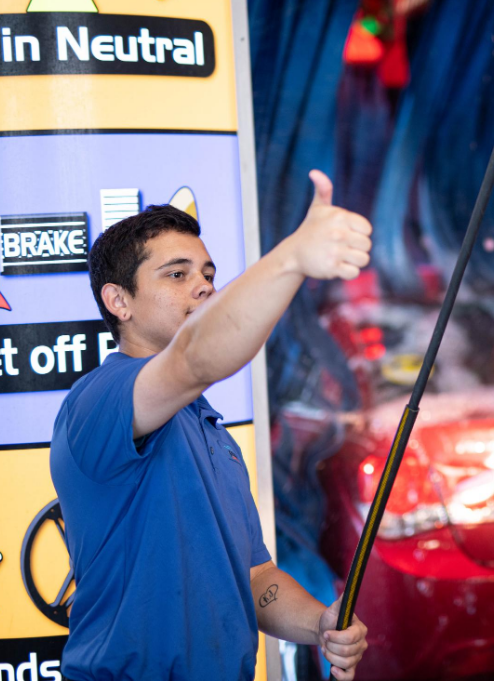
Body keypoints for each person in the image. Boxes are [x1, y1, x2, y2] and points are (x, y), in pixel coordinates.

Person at [50, 170, 372, 681]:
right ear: (119, 301)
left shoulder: (213, 432)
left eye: (207, 272)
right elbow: (193, 358)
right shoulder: (100, 398)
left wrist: (320, 623)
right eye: (176, 274)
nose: (203, 285)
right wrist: (292, 258)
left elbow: (256, 579)